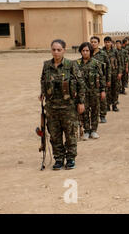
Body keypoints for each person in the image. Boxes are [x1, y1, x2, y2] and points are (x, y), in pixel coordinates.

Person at [39, 39, 86, 170]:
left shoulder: (71, 65)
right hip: (52, 107)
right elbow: (43, 80)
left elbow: (80, 84)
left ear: (64, 50)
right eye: (53, 49)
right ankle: (58, 158)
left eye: (59, 50)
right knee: (54, 134)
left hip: (68, 107)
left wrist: (81, 102)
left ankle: (70, 158)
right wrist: (42, 93)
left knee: (70, 134)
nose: (56, 52)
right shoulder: (47, 65)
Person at [75, 42, 105, 140]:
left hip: (94, 92)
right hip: (82, 93)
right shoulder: (76, 64)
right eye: (83, 51)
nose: (85, 52)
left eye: (87, 50)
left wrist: (103, 90)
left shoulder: (96, 63)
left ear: (90, 51)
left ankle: (94, 130)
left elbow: (101, 77)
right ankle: (87, 130)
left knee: (95, 111)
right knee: (84, 111)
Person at [90, 36, 110, 123]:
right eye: (92, 42)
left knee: (102, 98)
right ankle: (93, 115)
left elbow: (108, 67)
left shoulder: (103, 54)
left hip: (101, 79)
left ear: (98, 43)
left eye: (95, 42)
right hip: (91, 80)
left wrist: (108, 79)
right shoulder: (88, 53)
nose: (93, 43)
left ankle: (102, 115)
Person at [103, 36, 123, 112]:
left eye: (109, 42)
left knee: (115, 89)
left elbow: (119, 62)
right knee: (107, 90)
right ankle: (107, 105)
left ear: (111, 43)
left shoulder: (115, 51)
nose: (107, 44)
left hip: (115, 73)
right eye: (106, 42)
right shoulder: (102, 52)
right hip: (106, 75)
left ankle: (114, 105)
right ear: (104, 43)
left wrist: (120, 72)